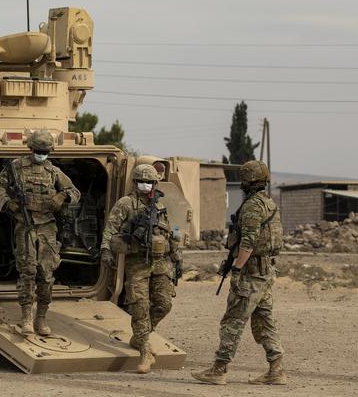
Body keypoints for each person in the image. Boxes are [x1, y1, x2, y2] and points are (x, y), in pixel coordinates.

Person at [192, 160, 285, 386]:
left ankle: (219, 369)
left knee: (233, 321)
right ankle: (276, 370)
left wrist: (236, 268)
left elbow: (249, 242)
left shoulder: (253, 206)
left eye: (243, 179)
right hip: (265, 274)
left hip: (252, 274)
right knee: (265, 321)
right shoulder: (268, 203)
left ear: (248, 180)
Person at [0, 129, 80, 336]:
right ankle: (26, 317)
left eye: (45, 151)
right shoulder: (15, 168)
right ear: (30, 148)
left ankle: (41, 317)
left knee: (46, 273)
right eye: (38, 150)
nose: (41, 154)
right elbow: (0, 188)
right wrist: (9, 204)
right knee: (27, 271)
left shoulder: (53, 172)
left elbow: (75, 192)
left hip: (47, 227)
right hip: (25, 224)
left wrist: (62, 197)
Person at [101, 164, 181, 374]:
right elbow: (110, 229)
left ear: (155, 183)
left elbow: (169, 232)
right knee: (139, 306)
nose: (145, 186)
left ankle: (139, 336)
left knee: (164, 304)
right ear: (135, 183)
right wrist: (105, 251)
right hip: (137, 262)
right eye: (140, 182)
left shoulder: (160, 205)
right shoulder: (126, 204)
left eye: (149, 182)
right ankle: (145, 350)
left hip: (160, 263)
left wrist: (175, 254)